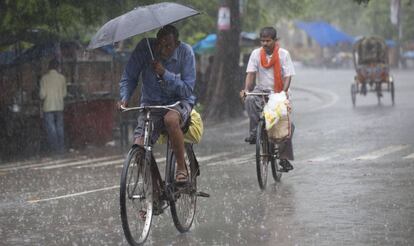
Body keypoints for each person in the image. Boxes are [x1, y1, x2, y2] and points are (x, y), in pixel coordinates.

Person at [118, 24, 196, 183]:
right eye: (160, 45)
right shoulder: (145, 48)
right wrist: (125, 97)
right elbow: (129, 75)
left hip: (178, 103)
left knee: (171, 120)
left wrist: (164, 73)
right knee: (139, 146)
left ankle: (181, 168)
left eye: (168, 46)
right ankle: (154, 192)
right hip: (151, 104)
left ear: (177, 44)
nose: (162, 50)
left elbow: (187, 90)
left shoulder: (186, 52)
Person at [240, 26, 295, 172]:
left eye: (268, 41)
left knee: (285, 126)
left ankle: (284, 159)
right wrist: (247, 90)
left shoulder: (284, 54)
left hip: (279, 91)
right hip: (262, 90)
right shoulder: (256, 54)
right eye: (262, 41)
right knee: (250, 100)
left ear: (275, 40)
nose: (264, 44)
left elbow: (288, 76)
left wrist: (283, 93)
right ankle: (254, 132)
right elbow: (251, 74)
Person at [39, 58, 67, 154]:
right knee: (60, 127)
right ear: (57, 67)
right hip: (59, 106)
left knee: (51, 129)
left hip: (48, 107)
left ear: (49, 67)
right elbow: (64, 94)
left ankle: (54, 149)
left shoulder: (44, 78)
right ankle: (61, 148)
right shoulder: (62, 78)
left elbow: (42, 95)